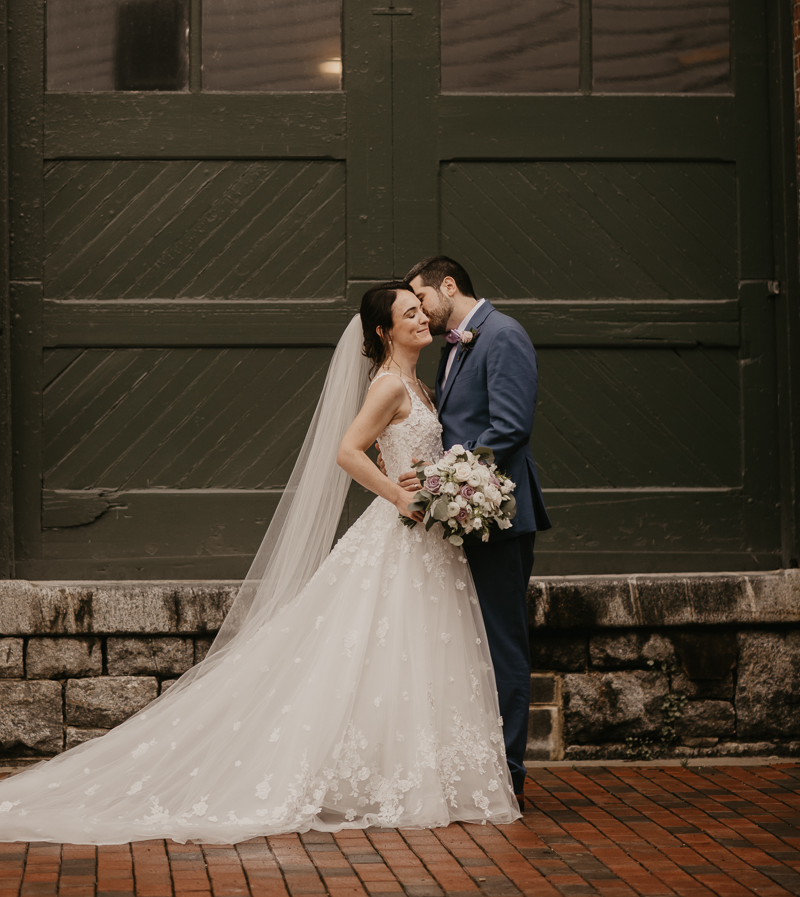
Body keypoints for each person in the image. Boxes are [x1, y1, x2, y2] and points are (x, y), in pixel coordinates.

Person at [0, 282, 519, 844]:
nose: (421, 319)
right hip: (400, 532)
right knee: (373, 648)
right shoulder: (390, 384)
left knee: (413, 651)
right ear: (382, 330)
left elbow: (409, 450)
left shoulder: (418, 381)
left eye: (421, 311)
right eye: (408, 314)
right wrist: (397, 494)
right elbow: (346, 451)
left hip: (425, 540)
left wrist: (437, 482)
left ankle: (416, 772)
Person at [402, 256, 551, 806]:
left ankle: (509, 774)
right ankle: (474, 768)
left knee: (501, 643)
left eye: (422, 299)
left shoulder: (504, 335)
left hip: (497, 516)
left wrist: (445, 479)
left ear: (448, 285)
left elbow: (509, 427)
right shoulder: (456, 345)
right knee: (467, 643)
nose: (419, 310)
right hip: (463, 516)